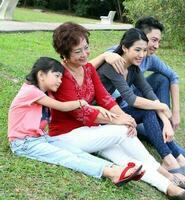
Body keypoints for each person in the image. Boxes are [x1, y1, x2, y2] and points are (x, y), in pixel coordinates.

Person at [49, 22, 185, 199]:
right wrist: (119, 121)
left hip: (92, 132)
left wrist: (125, 117)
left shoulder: (88, 69)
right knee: (123, 131)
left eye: (86, 48)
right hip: (67, 136)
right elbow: (81, 113)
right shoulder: (61, 75)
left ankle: (168, 187)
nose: (85, 54)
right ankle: (167, 173)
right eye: (78, 51)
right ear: (64, 53)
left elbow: (105, 99)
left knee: (125, 158)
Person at [95, 16, 185, 184]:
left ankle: (173, 154)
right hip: (111, 111)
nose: (154, 46)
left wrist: (167, 117)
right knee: (153, 125)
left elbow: (163, 82)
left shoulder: (138, 63)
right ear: (135, 40)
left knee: (162, 81)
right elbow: (129, 97)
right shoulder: (117, 57)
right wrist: (105, 55)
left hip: (126, 107)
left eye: (158, 41)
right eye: (153, 40)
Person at [7, 56, 145, 187]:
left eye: (61, 77)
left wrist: (90, 105)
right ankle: (111, 173)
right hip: (23, 143)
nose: (60, 81)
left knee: (75, 151)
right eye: (56, 76)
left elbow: (85, 70)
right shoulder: (30, 91)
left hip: (41, 138)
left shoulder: (45, 93)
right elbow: (63, 106)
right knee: (65, 157)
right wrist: (88, 105)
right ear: (41, 75)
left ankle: (115, 168)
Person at [98, 28, 185, 184]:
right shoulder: (113, 66)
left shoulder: (133, 68)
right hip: (98, 116)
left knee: (149, 110)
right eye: (137, 50)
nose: (142, 55)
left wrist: (166, 120)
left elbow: (148, 92)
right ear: (125, 48)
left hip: (115, 112)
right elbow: (132, 98)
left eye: (143, 50)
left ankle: (172, 160)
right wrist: (162, 106)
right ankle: (173, 161)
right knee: (147, 108)